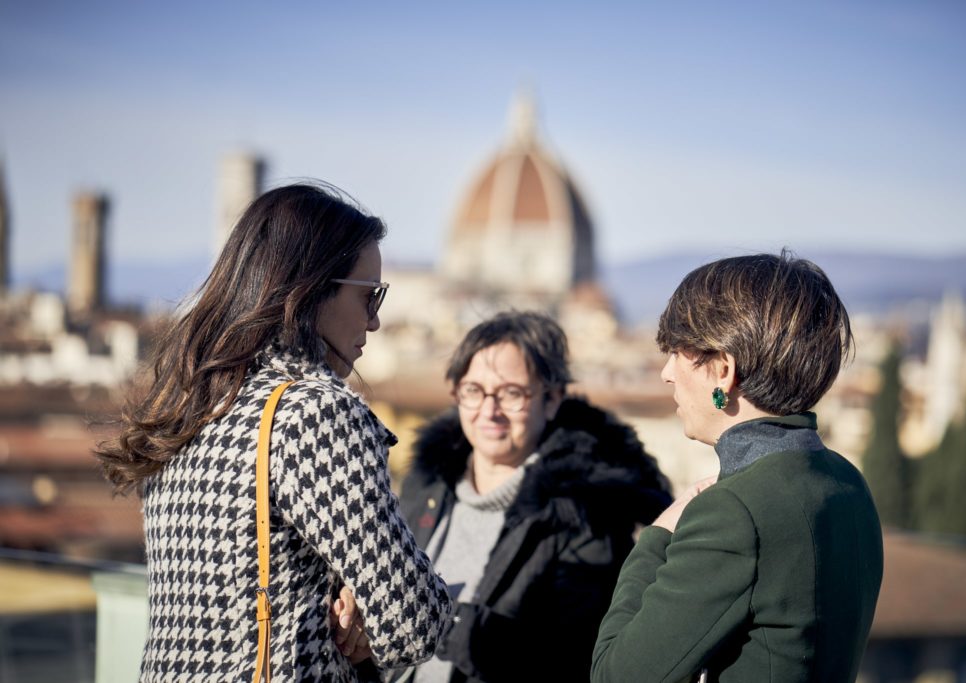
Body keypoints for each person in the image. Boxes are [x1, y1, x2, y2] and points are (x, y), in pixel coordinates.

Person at [96, 183, 452, 681]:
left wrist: (345, 593)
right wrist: (367, 608)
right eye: (369, 296)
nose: (373, 321)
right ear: (310, 290)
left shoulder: (185, 406)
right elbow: (413, 619)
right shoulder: (316, 414)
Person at [592, 252, 884, 683]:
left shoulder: (735, 512)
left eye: (677, 352)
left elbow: (616, 675)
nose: (666, 373)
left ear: (723, 372)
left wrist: (658, 536)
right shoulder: (846, 480)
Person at [393, 311, 672, 683]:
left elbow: (569, 656)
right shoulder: (426, 485)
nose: (489, 412)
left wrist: (437, 618)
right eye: (474, 391)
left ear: (552, 398)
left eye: (511, 393)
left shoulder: (585, 513)